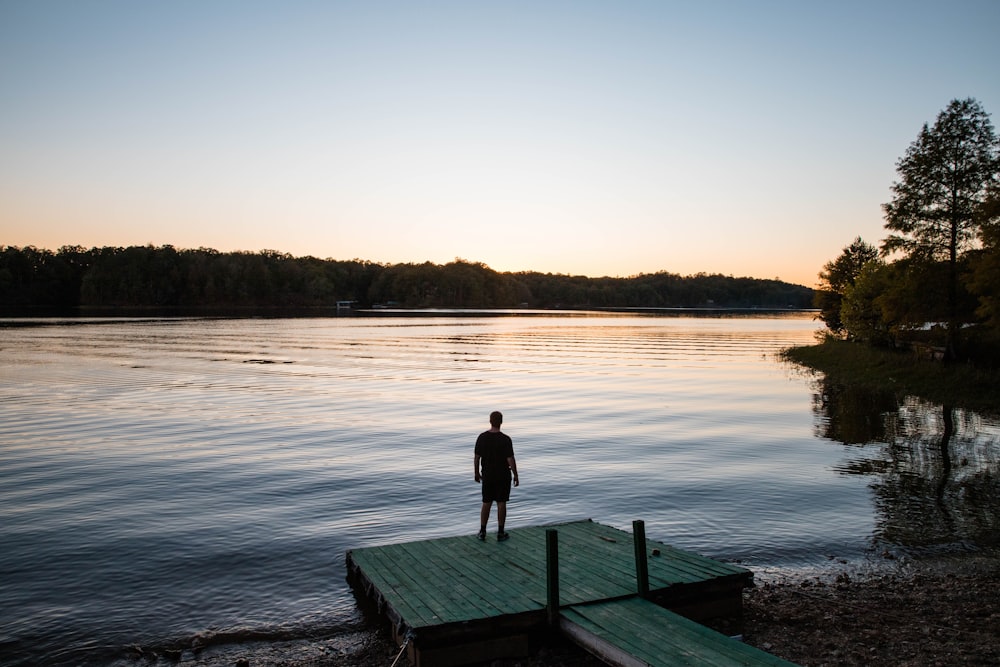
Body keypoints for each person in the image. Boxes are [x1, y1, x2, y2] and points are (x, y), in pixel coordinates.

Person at [474, 411, 519, 541]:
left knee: (486, 502)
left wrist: (476, 473)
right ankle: (500, 532)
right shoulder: (505, 439)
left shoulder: (482, 437)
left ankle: (482, 531)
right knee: (501, 503)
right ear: (501, 422)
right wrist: (515, 475)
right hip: (503, 475)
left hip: (487, 475)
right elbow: (510, 459)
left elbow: (477, 458)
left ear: (490, 421)